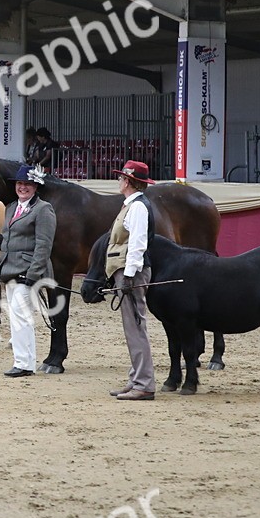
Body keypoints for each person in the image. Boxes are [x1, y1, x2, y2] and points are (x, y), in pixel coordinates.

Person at [0, 164, 55, 377]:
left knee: (20, 316)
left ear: (36, 187)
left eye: (28, 185)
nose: (23, 188)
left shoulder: (43, 209)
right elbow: (10, 240)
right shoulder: (11, 208)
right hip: (10, 270)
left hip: (28, 271)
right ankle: (26, 361)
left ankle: (23, 363)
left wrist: (33, 275)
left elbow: (44, 245)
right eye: (20, 184)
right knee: (18, 317)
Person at [105, 160, 157, 401]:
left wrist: (127, 276)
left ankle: (144, 383)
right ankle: (137, 378)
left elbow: (137, 244)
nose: (119, 182)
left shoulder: (137, 208)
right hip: (127, 270)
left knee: (136, 327)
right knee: (133, 327)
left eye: (121, 178)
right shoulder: (132, 205)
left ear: (127, 181)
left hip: (131, 271)